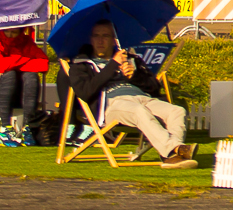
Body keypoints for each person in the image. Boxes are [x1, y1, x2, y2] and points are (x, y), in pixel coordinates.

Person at [66, 21, 195, 167]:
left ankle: (173, 154)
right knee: (138, 111)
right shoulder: (81, 64)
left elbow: (154, 88)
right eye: (96, 36)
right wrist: (112, 65)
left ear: (114, 40)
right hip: (111, 104)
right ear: (91, 39)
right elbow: (85, 92)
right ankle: (173, 151)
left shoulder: (130, 59)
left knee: (177, 111)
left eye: (105, 36)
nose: (100, 40)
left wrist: (135, 76)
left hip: (142, 98)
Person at [0, 25, 51, 146]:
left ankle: (28, 127)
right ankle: (5, 128)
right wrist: (26, 59)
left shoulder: (26, 42)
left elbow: (43, 64)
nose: (9, 35)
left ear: (21, 31)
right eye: (6, 31)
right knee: (10, 75)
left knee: (31, 76)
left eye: (14, 32)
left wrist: (12, 63)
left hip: (14, 94)